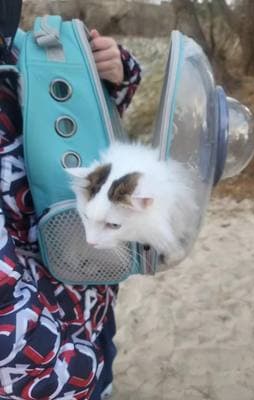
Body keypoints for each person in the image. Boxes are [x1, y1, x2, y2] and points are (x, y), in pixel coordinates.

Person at [0, 1, 141, 399]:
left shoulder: (26, 49)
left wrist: (116, 74)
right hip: (50, 364)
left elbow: (94, 138)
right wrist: (72, 364)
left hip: (94, 302)